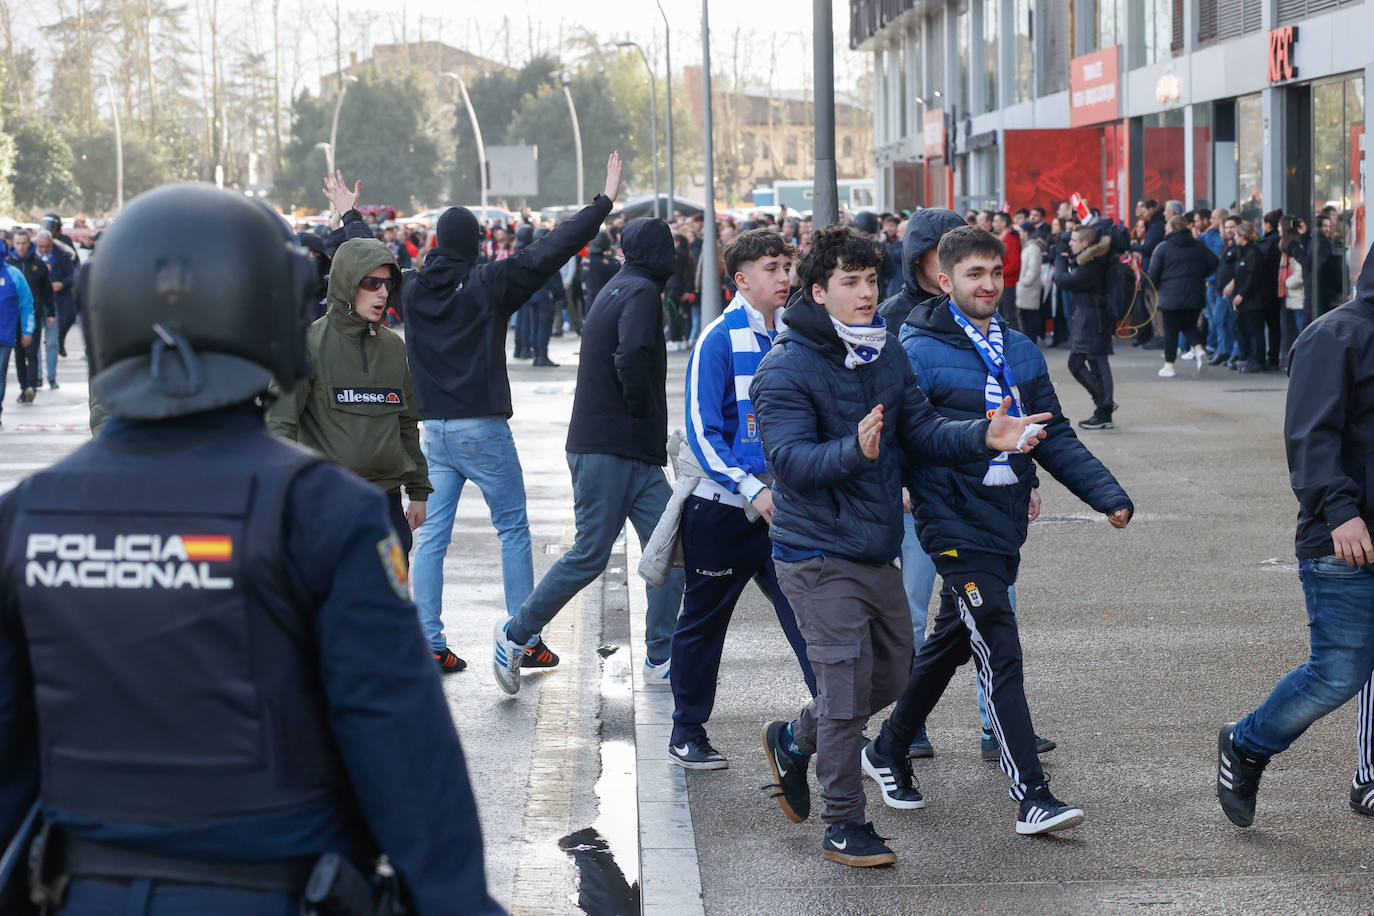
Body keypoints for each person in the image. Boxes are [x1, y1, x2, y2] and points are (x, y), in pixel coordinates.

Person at [0, 183, 501, 915]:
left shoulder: (26, 521)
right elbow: (401, 746)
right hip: (273, 886)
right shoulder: (325, 512)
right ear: (268, 315)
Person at [751, 226, 1050, 868]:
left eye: (871, 281)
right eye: (850, 283)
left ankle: (794, 740)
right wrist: (851, 451)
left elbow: (922, 429)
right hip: (813, 553)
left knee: (889, 677)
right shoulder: (785, 366)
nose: (865, 294)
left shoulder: (884, 352)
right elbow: (789, 462)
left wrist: (985, 436)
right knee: (843, 694)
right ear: (819, 291)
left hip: (872, 548)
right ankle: (844, 824)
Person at [865, 225, 1132, 835]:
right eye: (973, 275)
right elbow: (907, 433)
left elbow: (1052, 432)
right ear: (945, 280)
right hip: (948, 518)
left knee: (951, 643)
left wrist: (1105, 495)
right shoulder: (913, 345)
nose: (987, 285)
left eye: (995, 273)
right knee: (998, 643)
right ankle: (1031, 794)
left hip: (1002, 517)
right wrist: (902, 484)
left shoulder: (1019, 348)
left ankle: (887, 746)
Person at [400, 158, 619, 674]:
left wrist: (348, 217)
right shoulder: (487, 282)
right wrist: (600, 205)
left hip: (433, 432)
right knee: (512, 530)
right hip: (482, 428)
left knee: (430, 537)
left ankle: (429, 641)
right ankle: (525, 635)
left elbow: (367, 258)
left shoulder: (409, 287)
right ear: (476, 243)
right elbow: (551, 248)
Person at [1217, 243, 1374, 830]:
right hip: (1344, 539)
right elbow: (1310, 437)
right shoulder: (1334, 336)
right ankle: (1247, 743)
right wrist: (1340, 512)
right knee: (1337, 672)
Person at [494, 216, 684, 696]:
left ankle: (661, 656)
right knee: (590, 555)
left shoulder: (621, 285)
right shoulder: (640, 291)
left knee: (672, 549)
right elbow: (633, 355)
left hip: (626, 450)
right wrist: (642, 415)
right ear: (661, 253)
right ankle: (516, 634)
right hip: (612, 447)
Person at [661, 229, 817, 770]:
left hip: (785, 512)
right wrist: (751, 487)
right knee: (704, 622)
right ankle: (687, 730)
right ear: (741, 278)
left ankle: (834, 724)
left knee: (810, 618)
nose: (783, 277)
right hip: (723, 512)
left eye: (786, 266)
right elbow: (703, 434)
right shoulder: (717, 339)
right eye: (771, 268)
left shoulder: (793, 336)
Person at [267, 235, 432, 584]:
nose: (383, 294)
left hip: (385, 506)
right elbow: (279, 425)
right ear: (347, 284)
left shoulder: (392, 348)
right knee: (330, 610)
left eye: (388, 284)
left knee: (387, 607)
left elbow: (406, 423)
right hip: (327, 505)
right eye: (372, 283)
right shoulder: (307, 344)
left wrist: (418, 492)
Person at [1057, 225, 1116, 429]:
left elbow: (1063, 280)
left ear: (1085, 243)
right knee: (1085, 362)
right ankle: (1104, 404)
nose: (1070, 244)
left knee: (1095, 363)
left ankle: (1104, 408)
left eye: (1073, 240)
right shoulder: (1090, 261)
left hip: (1093, 319)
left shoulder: (1093, 265)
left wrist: (1061, 259)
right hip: (1088, 318)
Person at [1149, 215, 1218, 377]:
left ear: (1172, 229)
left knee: (1171, 330)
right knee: (1189, 325)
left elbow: (1153, 273)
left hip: (1170, 295)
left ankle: (1169, 365)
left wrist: (1157, 287)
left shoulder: (1163, 247)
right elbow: (1215, 263)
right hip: (1195, 293)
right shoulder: (1199, 245)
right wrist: (1200, 276)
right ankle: (1199, 348)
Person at [6, 230, 52, 405]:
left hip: (33, 314)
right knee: (19, 354)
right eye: (17, 243)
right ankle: (23, 387)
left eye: (24, 243)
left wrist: (51, 313)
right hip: (12, 317)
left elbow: (47, 290)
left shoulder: (38, 264)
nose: (21, 247)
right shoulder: (9, 264)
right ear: (13, 245)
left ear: (29, 244)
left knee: (32, 352)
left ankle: (31, 387)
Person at [0, 240, 34, 430]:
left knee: (0, 374)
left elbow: (27, 305)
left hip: (4, 336)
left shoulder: (14, 275)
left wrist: (27, 331)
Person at [33, 230, 76, 371]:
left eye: (47, 247)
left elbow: (73, 275)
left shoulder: (63, 256)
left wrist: (62, 284)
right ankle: (37, 375)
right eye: (41, 247)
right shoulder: (30, 258)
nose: (44, 250)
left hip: (56, 303)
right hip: (37, 303)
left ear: (51, 244)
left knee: (52, 342)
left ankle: (51, 377)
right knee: (35, 343)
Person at [1227, 221, 1266, 374]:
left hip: (1253, 301)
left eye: (1236, 234)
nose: (1234, 237)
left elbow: (1253, 277)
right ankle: (1249, 358)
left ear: (1242, 236)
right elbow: (1240, 274)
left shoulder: (1253, 253)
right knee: (1244, 330)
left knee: (1255, 331)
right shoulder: (1242, 252)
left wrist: (1242, 294)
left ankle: (1258, 360)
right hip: (1244, 300)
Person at [1015, 221, 1045, 343]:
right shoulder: (1028, 246)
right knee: (1026, 320)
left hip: (1029, 290)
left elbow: (1033, 270)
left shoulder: (1033, 248)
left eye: (1021, 231)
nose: (1019, 234)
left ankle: (1032, 343)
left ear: (1026, 233)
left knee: (1030, 321)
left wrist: (1024, 282)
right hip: (1025, 290)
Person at [993, 212, 1021, 330]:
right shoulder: (1002, 237)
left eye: (996, 221)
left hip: (1008, 282)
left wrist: (997, 274)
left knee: (1009, 315)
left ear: (1003, 223)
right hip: (1002, 281)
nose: (993, 224)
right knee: (1002, 315)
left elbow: (1015, 264)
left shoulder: (1010, 239)